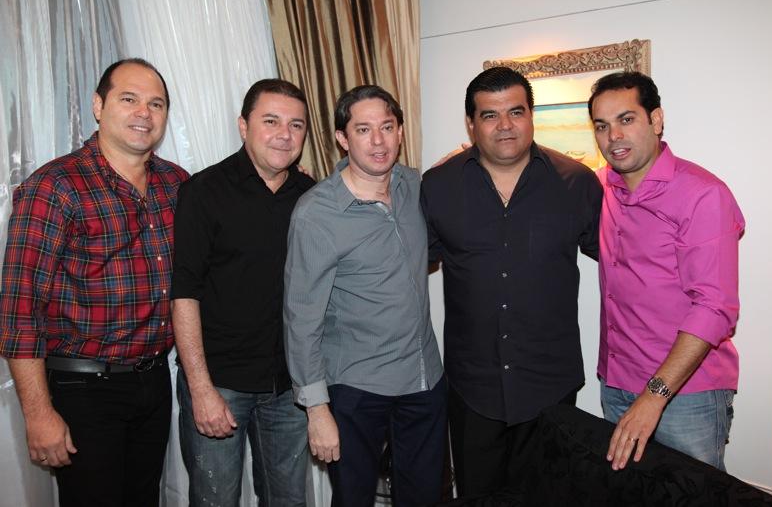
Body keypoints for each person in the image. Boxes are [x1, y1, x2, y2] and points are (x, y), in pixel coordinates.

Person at [0, 58, 189, 507]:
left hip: (153, 381)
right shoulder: (54, 187)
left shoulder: (176, 184)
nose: (144, 113)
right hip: (82, 389)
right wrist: (38, 414)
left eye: (156, 104)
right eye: (129, 99)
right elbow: (19, 310)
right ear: (98, 106)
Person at [421, 66, 603, 498]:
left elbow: (623, 262)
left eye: (515, 112)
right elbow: (408, 266)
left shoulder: (577, 182)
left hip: (549, 383)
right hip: (473, 388)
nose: (505, 125)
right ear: (471, 123)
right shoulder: (438, 186)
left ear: (530, 116)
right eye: (490, 115)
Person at [284, 85, 446, 507]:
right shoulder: (316, 213)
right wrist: (317, 410)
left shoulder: (414, 185)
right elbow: (301, 319)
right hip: (356, 389)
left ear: (400, 131)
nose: (378, 141)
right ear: (343, 138)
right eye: (363, 129)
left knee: (426, 498)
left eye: (387, 127)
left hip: (423, 379)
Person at [588, 71, 744, 471]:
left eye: (626, 119)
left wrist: (654, 396)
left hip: (686, 396)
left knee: (695, 495)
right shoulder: (603, 186)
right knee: (628, 495)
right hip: (616, 384)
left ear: (656, 120)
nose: (614, 136)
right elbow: (549, 172)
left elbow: (714, 308)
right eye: (602, 126)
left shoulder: (702, 195)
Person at [171, 79, 314, 505]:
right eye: (271, 121)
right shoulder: (203, 192)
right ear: (243, 126)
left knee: (289, 501)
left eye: (296, 125)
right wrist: (200, 389)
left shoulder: (312, 197)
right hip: (220, 383)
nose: (284, 134)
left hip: (290, 388)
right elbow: (184, 294)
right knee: (215, 499)